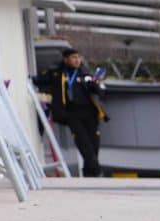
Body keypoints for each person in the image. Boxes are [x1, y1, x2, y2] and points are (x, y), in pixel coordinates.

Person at [34, 47, 108, 177]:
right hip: (72, 114)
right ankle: (97, 171)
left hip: (90, 114)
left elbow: (100, 92)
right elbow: (39, 80)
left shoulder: (85, 74)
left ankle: (90, 174)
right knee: (83, 143)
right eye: (74, 57)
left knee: (94, 144)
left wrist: (97, 83)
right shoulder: (57, 73)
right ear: (66, 59)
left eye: (78, 57)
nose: (77, 60)